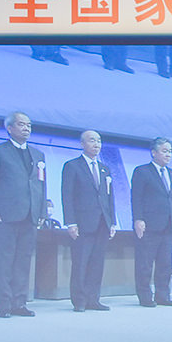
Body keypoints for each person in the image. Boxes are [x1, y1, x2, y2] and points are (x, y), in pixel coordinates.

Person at [0, 111, 46, 318]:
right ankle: (4, 305)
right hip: (6, 215)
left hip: (30, 215)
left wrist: (42, 210)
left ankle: (20, 302)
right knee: (4, 260)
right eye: (21, 124)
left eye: (29, 125)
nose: (26, 128)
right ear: (9, 128)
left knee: (23, 260)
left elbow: (41, 185)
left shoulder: (38, 155)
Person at [61, 130, 117, 312]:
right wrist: (71, 222)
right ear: (82, 144)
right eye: (92, 140)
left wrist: (112, 222)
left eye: (99, 141)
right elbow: (67, 196)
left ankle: (94, 299)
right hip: (82, 223)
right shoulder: (72, 166)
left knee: (97, 263)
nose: (97, 144)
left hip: (102, 222)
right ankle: (79, 301)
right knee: (81, 262)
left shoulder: (104, 169)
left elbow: (110, 198)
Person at [130, 137, 172, 308]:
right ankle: (145, 296)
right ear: (154, 153)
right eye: (165, 151)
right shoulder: (142, 171)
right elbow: (136, 197)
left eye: (170, 151)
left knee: (165, 263)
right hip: (149, 224)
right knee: (145, 263)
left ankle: (163, 295)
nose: (168, 154)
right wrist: (138, 219)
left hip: (168, 225)